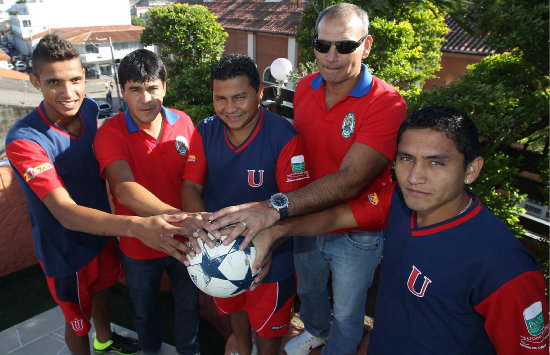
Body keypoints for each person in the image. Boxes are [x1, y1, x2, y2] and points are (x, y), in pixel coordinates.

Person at [250, 105, 549, 354]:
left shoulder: (505, 269)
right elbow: (334, 218)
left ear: (471, 170)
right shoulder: (399, 202)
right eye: (406, 159)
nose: (415, 177)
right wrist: (275, 230)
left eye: (436, 163)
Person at [207, 3, 406, 355]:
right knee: (310, 289)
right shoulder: (306, 88)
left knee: (346, 310)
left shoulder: (385, 103)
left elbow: (350, 180)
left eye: (344, 46)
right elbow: (297, 155)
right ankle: (315, 330)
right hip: (305, 218)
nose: (331, 55)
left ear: (367, 45)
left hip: (356, 227)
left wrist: (274, 208)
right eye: (322, 44)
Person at [5, 34, 198, 355]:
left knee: (104, 292)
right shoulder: (24, 141)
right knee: (77, 322)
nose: (68, 93)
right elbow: (65, 211)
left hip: (104, 236)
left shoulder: (89, 108)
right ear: (35, 82)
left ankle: (105, 339)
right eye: (54, 82)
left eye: (76, 79)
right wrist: (137, 226)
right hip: (65, 248)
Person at [180, 54, 311, 355]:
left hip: (271, 259)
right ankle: (242, 348)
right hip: (217, 251)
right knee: (232, 310)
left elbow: (297, 205)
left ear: (260, 92)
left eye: (239, 97)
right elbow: (190, 185)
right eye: (220, 98)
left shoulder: (284, 137)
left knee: (268, 329)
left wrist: (270, 243)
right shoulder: (205, 130)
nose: (230, 108)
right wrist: (202, 225)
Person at [94, 49, 203, 355]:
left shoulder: (183, 121)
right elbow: (124, 190)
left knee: (188, 305)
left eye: (153, 87)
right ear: (122, 92)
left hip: (186, 241)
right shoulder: (111, 133)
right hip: (140, 244)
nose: (145, 98)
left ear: (165, 88)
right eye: (135, 89)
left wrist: (192, 223)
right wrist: (183, 217)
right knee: (145, 311)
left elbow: (194, 178)